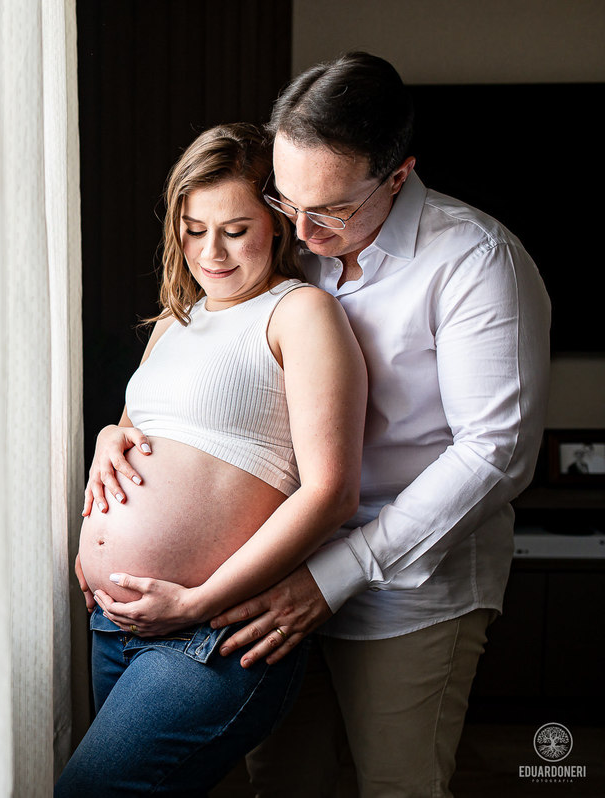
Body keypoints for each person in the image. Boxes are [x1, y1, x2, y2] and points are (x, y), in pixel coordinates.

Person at [85, 53, 551, 797]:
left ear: (397, 176)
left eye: (328, 208)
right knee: (284, 784)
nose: (299, 228)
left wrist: (331, 575)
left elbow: (494, 454)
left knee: (397, 783)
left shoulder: (471, 260)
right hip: (270, 571)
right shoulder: (298, 251)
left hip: (407, 581)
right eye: (285, 201)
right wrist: (121, 435)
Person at [57, 122, 367, 796]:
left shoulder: (299, 312)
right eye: (194, 229)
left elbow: (331, 491)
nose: (211, 251)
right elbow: (143, 429)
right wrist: (108, 440)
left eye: (235, 228)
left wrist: (196, 600)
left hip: (211, 631)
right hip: (114, 624)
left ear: (278, 224)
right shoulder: (175, 322)